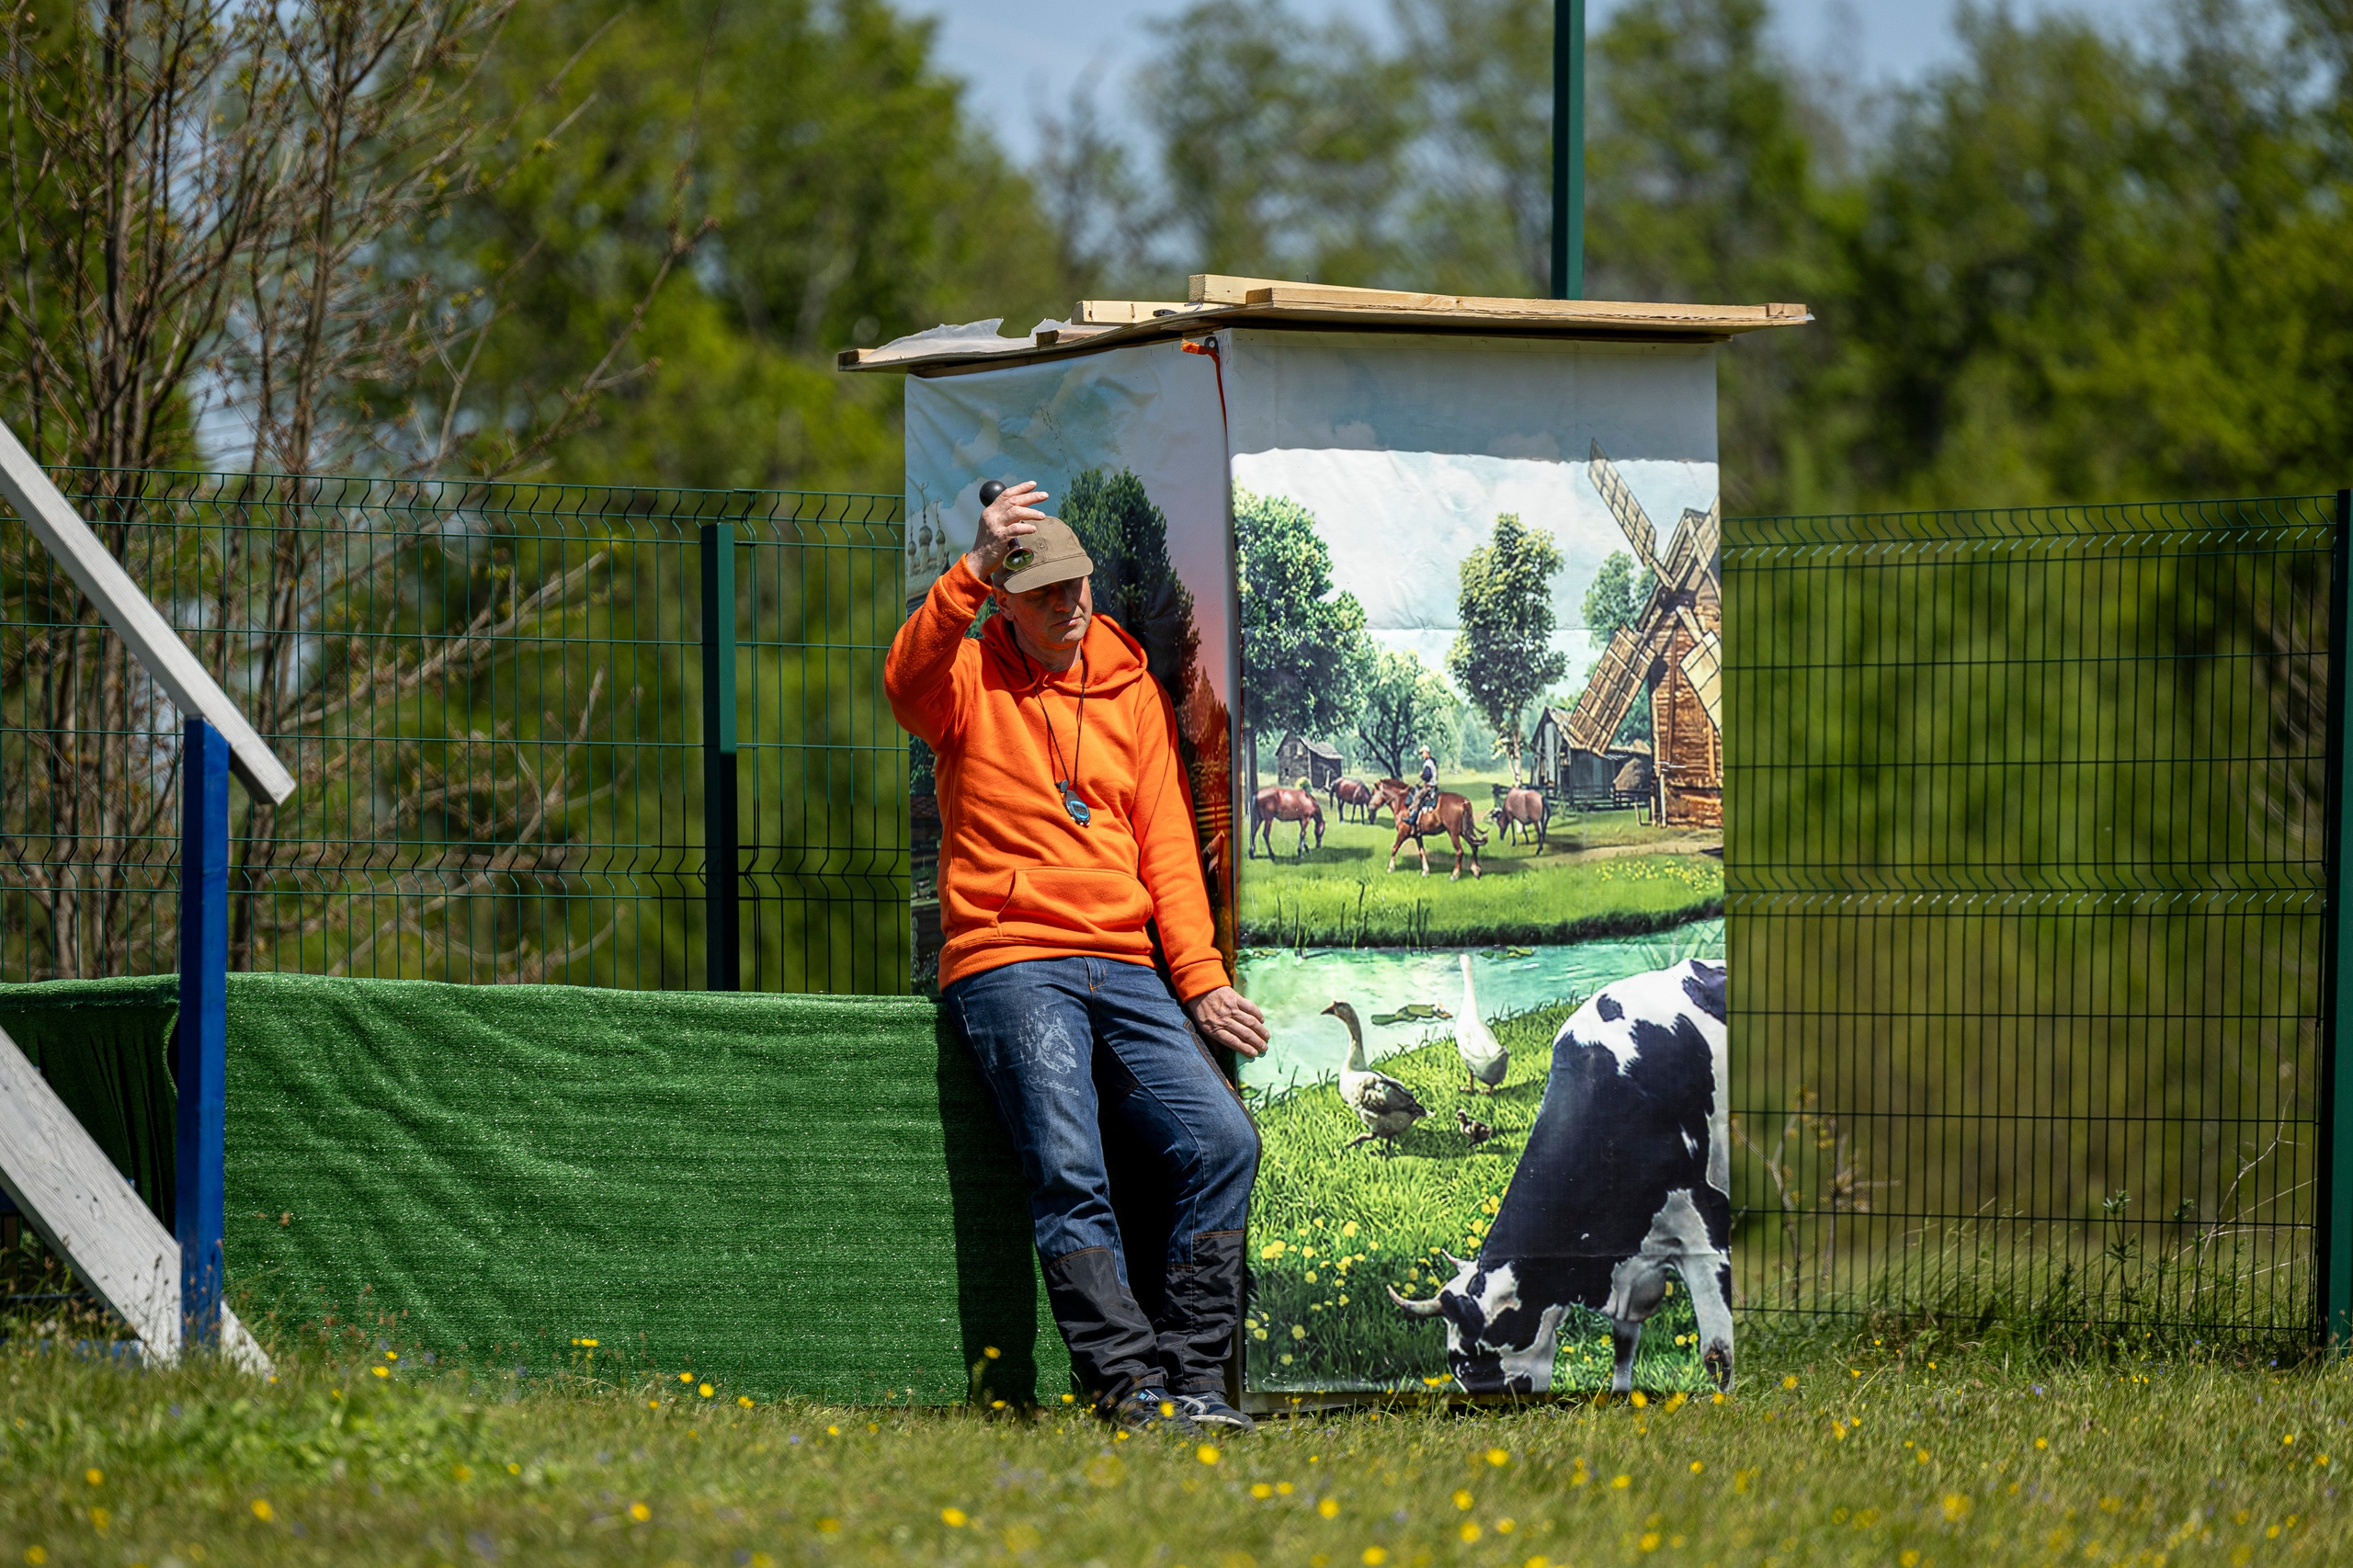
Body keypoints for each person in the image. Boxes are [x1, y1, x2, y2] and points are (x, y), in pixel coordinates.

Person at [885, 478, 1270, 1435]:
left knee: (1224, 1143)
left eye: (1079, 584)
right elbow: (903, 681)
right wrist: (971, 567)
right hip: (1009, 957)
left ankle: (1194, 1385)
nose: (1070, 603)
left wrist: (1200, 977)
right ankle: (1126, 1391)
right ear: (1005, 601)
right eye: (1045, 591)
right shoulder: (964, 674)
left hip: (1126, 962)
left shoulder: (1129, 682)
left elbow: (1166, 842)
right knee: (1070, 1167)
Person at [1404, 744, 1438, 828]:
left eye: (1422, 753)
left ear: (1426, 752)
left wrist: (1422, 774)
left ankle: (1412, 818)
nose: (1422, 755)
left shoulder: (1428, 763)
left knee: (1417, 797)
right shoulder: (1432, 762)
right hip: (1433, 784)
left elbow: (1427, 776)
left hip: (1429, 786)